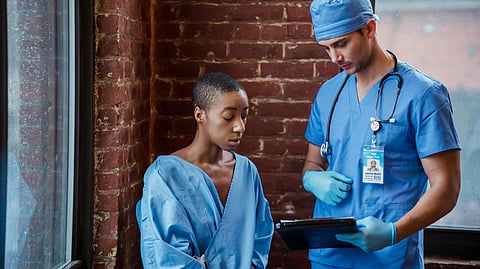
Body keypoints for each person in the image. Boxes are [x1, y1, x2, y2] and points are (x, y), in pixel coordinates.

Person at [301, 0, 461, 268]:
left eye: (341, 44)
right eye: (326, 48)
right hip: (329, 255)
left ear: (370, 28)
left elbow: (447, 188)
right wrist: (311, 178)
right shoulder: (329, 94)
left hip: (391, 257)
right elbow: (313, 162)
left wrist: (393, 232)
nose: (334, 58)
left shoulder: (423, 95)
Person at [136, 72, 274, 269]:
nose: (240, 127)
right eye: (228, 117)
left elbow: (261, 234)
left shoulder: (247, 171)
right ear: (200, 115)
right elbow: (168, 255)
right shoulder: (165, 175)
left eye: (244, 116)